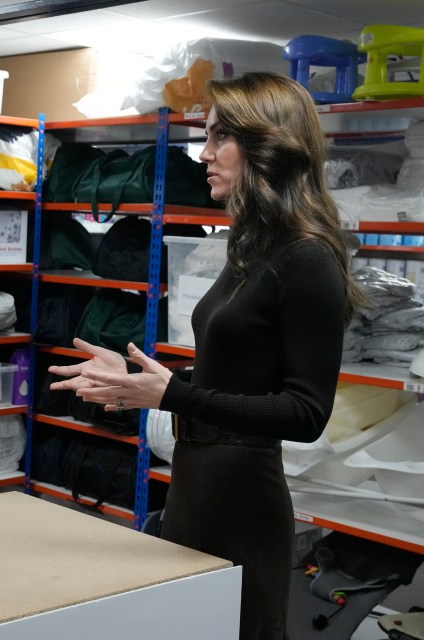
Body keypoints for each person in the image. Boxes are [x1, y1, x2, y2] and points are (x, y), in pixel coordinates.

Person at [50, 72, 363, 640]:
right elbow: (237, 374)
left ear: (268, 145)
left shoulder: (308, 258)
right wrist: (139, 381)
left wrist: (172, 393)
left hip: (243, 498)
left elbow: (306, 412)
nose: (204, 154)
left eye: (220, 137)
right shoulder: (252, 247)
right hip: (197, 485)